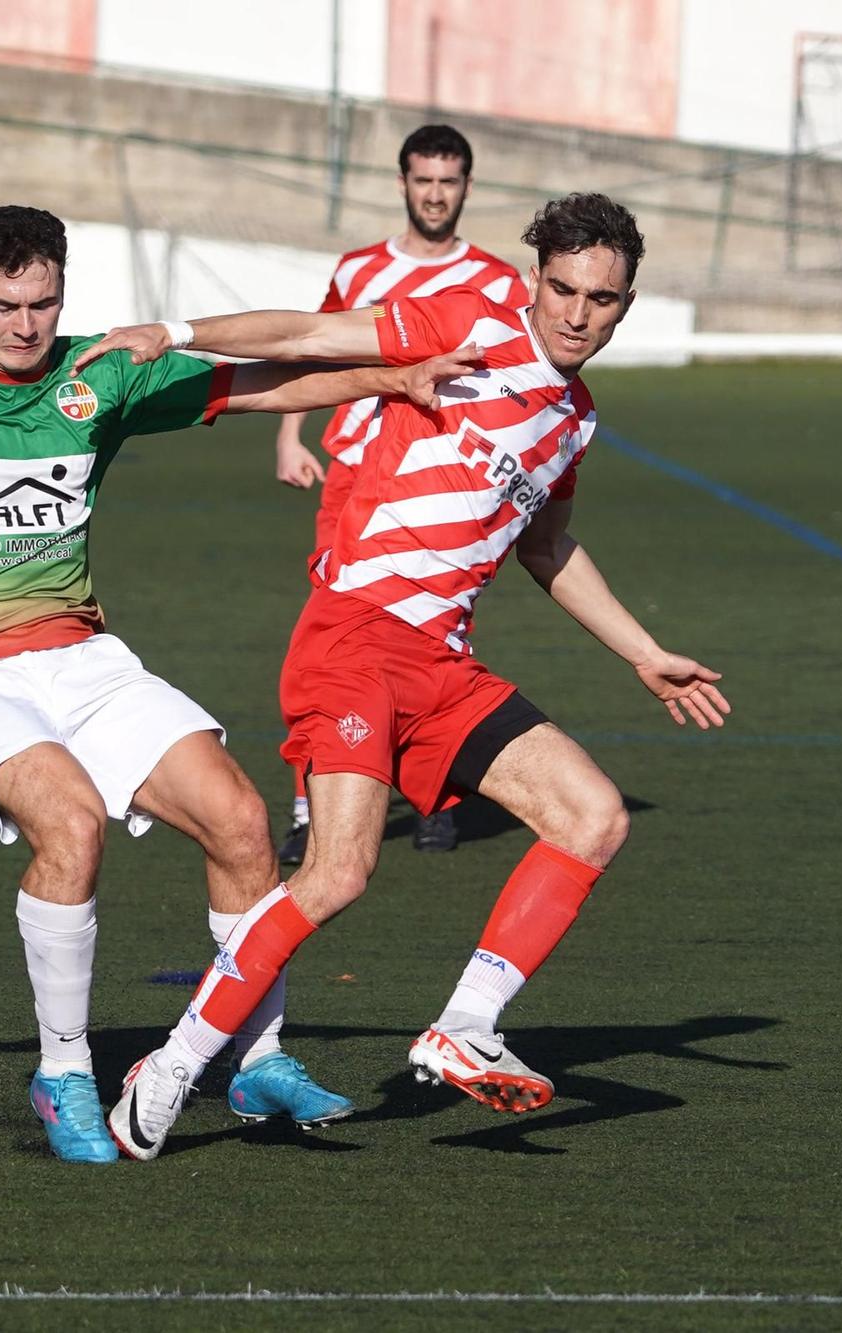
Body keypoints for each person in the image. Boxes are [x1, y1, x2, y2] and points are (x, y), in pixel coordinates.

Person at [0, 206, 475, 1164]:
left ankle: (258, 1057)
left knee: (239, 820)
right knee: (71, 824)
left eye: (44, 302)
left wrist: (397, 379)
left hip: (82, 658)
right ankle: (64, 1073)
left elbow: (266, 381)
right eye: (4, 305)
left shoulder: (97, 371)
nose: (26, 325)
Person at [71, 193, 732, 1161]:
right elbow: (305, 335)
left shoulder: (572, 424)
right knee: (336, 872)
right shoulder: (466, 319)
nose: (576, 312)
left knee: (592, 814)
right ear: (532, 275)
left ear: (624, 305)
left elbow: (546, 547)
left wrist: (641, 650)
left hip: (438, 664)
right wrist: (168, 332)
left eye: (601, 297)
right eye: (562, 286)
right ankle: (169, 1065)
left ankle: (464, 1025)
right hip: (351, 639)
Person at [272, 124, 525, 861]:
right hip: (355, 473)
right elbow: (316, 342)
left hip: (449, 478)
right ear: (403, 183)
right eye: (423, 179)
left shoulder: (498, 281)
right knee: (332, 631)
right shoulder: (359, 270)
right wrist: (290, 436)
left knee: (438, 628)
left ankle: (436, 801)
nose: (435, 193)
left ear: (467, 187)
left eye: (449, 180)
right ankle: (306, 804)